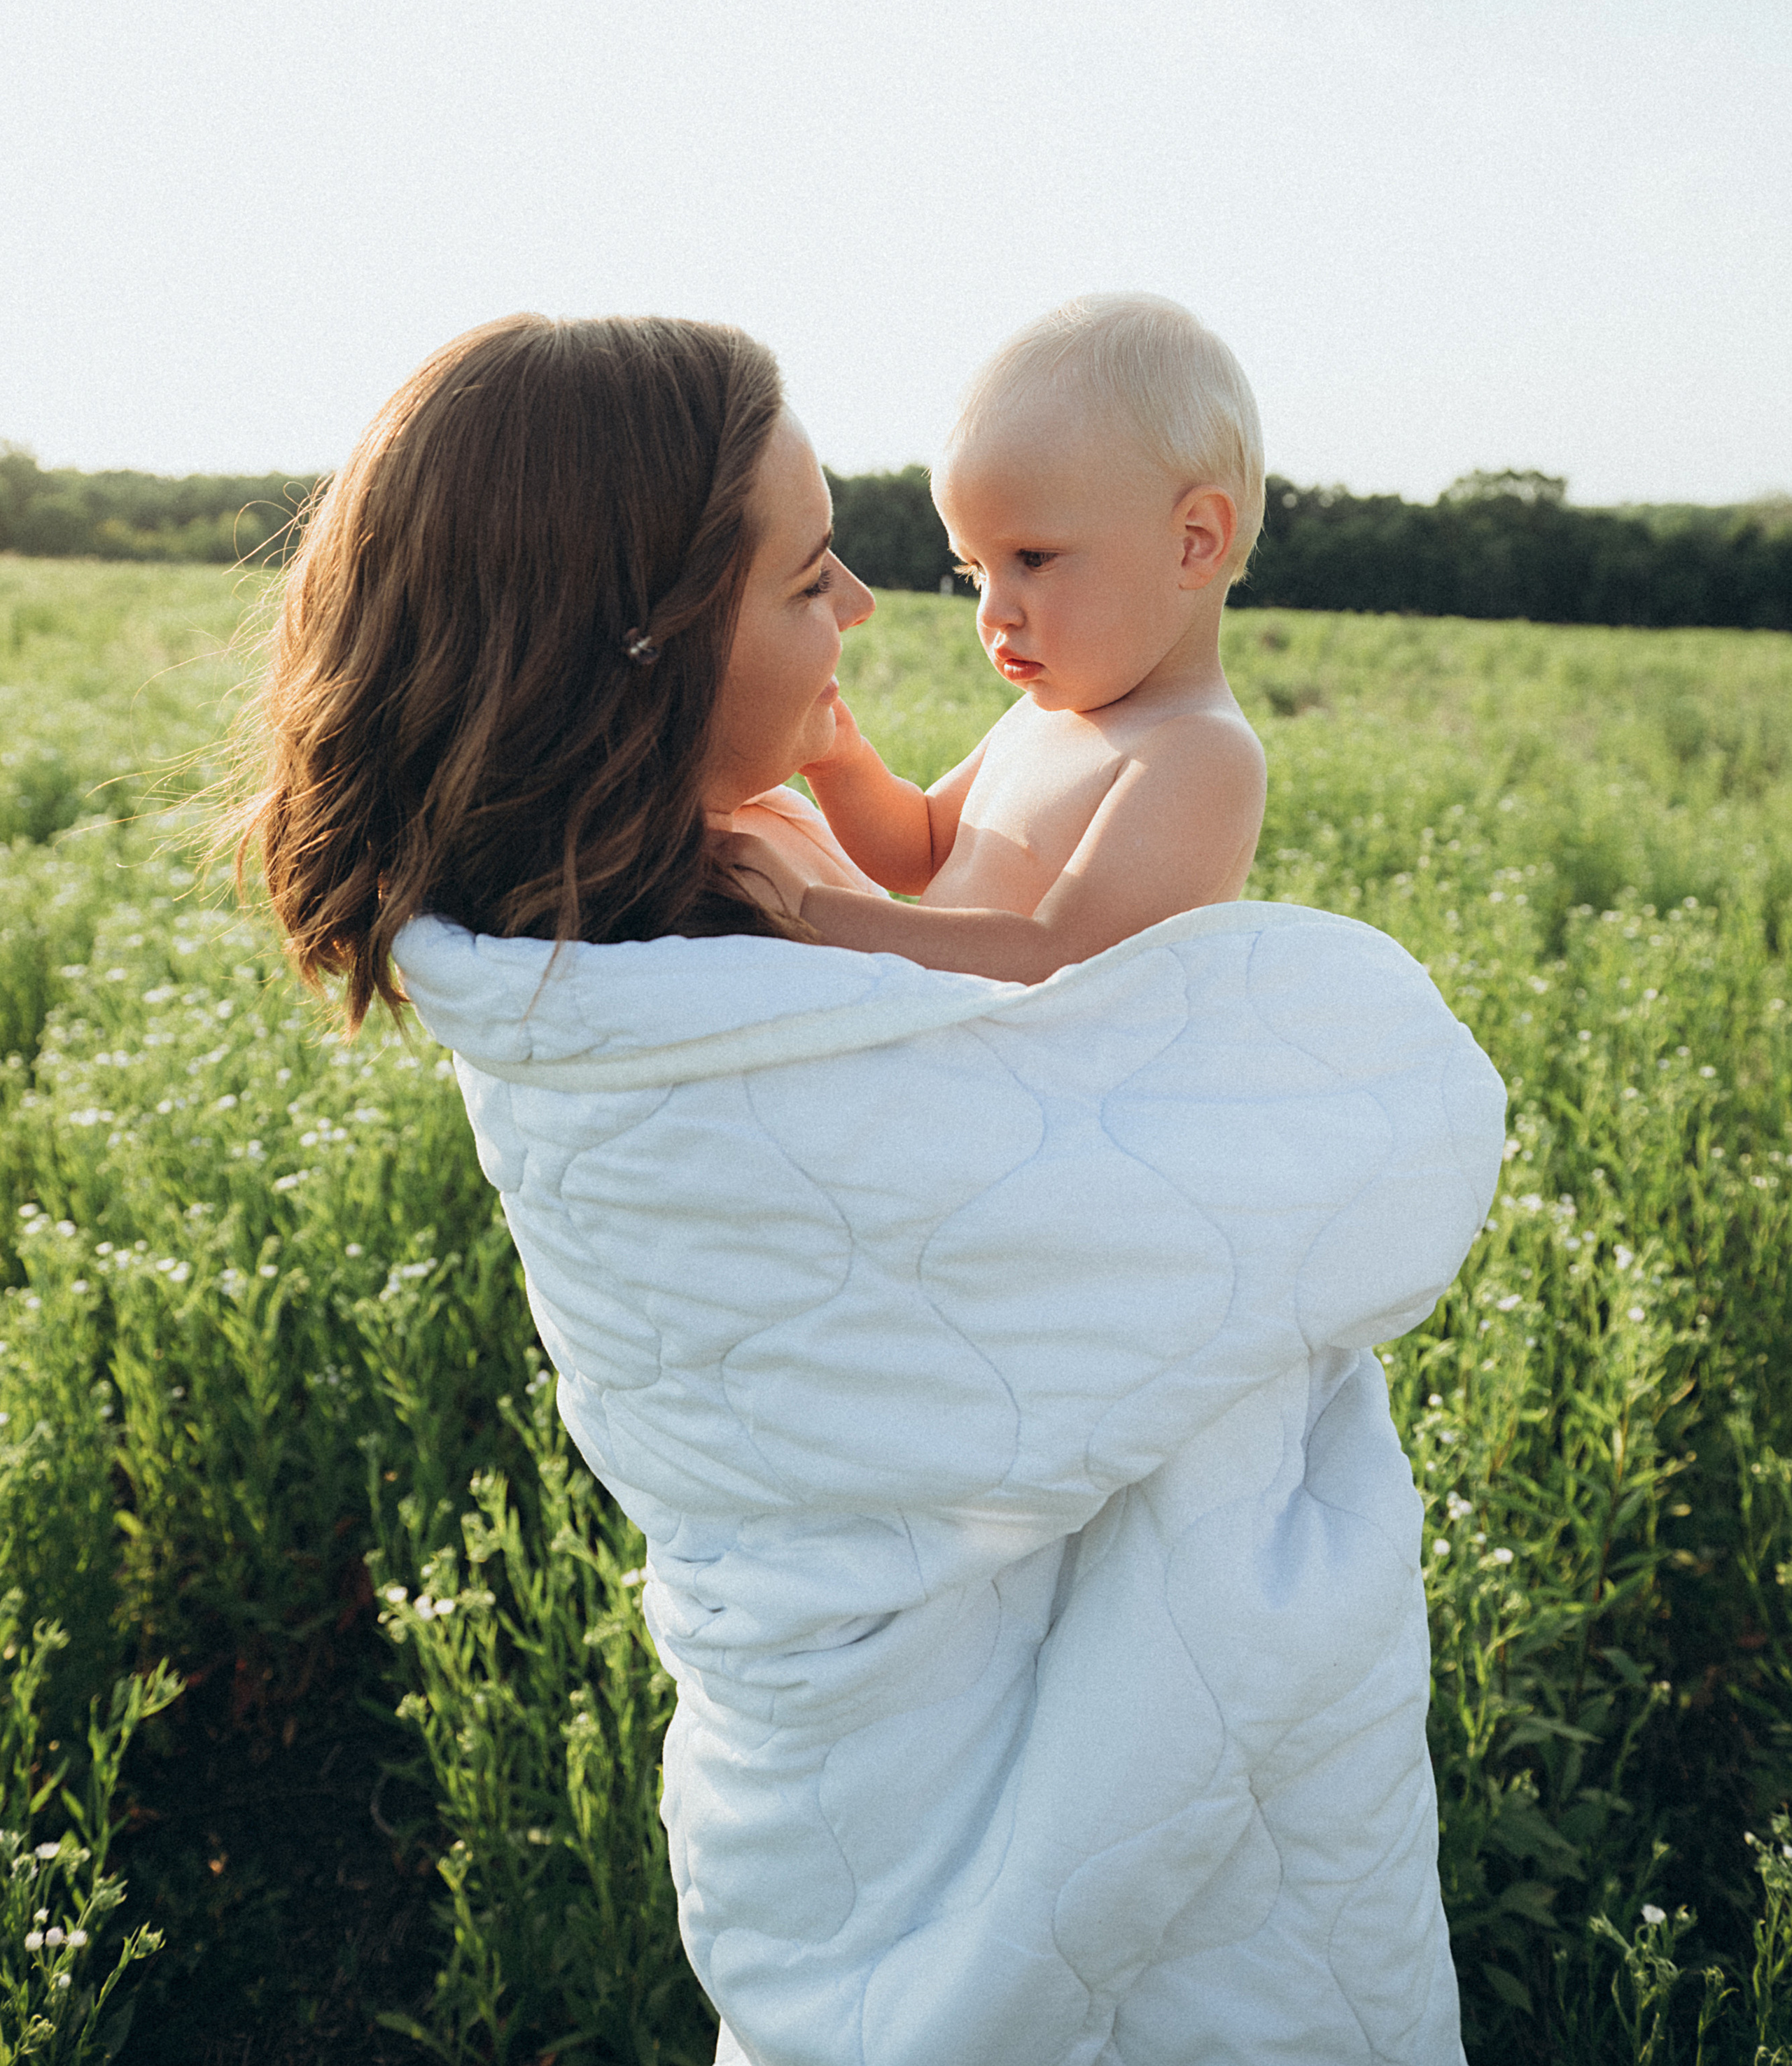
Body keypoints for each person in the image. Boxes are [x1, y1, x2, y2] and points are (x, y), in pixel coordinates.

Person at [243, 309, 1498, 2066]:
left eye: (1023, 560)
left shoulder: (1163, 758)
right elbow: (938, 894)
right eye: (819, 571)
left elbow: (1079, 984)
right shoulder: (668, 969)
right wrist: (844, 808)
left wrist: (824, 889)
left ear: (1193, 539)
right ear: (645, 643)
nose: (893, 614)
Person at [724, 295, 1268, 981]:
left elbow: (1057, 959)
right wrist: (842, 761)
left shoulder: (1197, 753)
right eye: (974, 568)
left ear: (1194, 543)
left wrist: (804, 908)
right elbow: (921, 850)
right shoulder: (1049, 715)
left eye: (1033, 559)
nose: (993, 611)